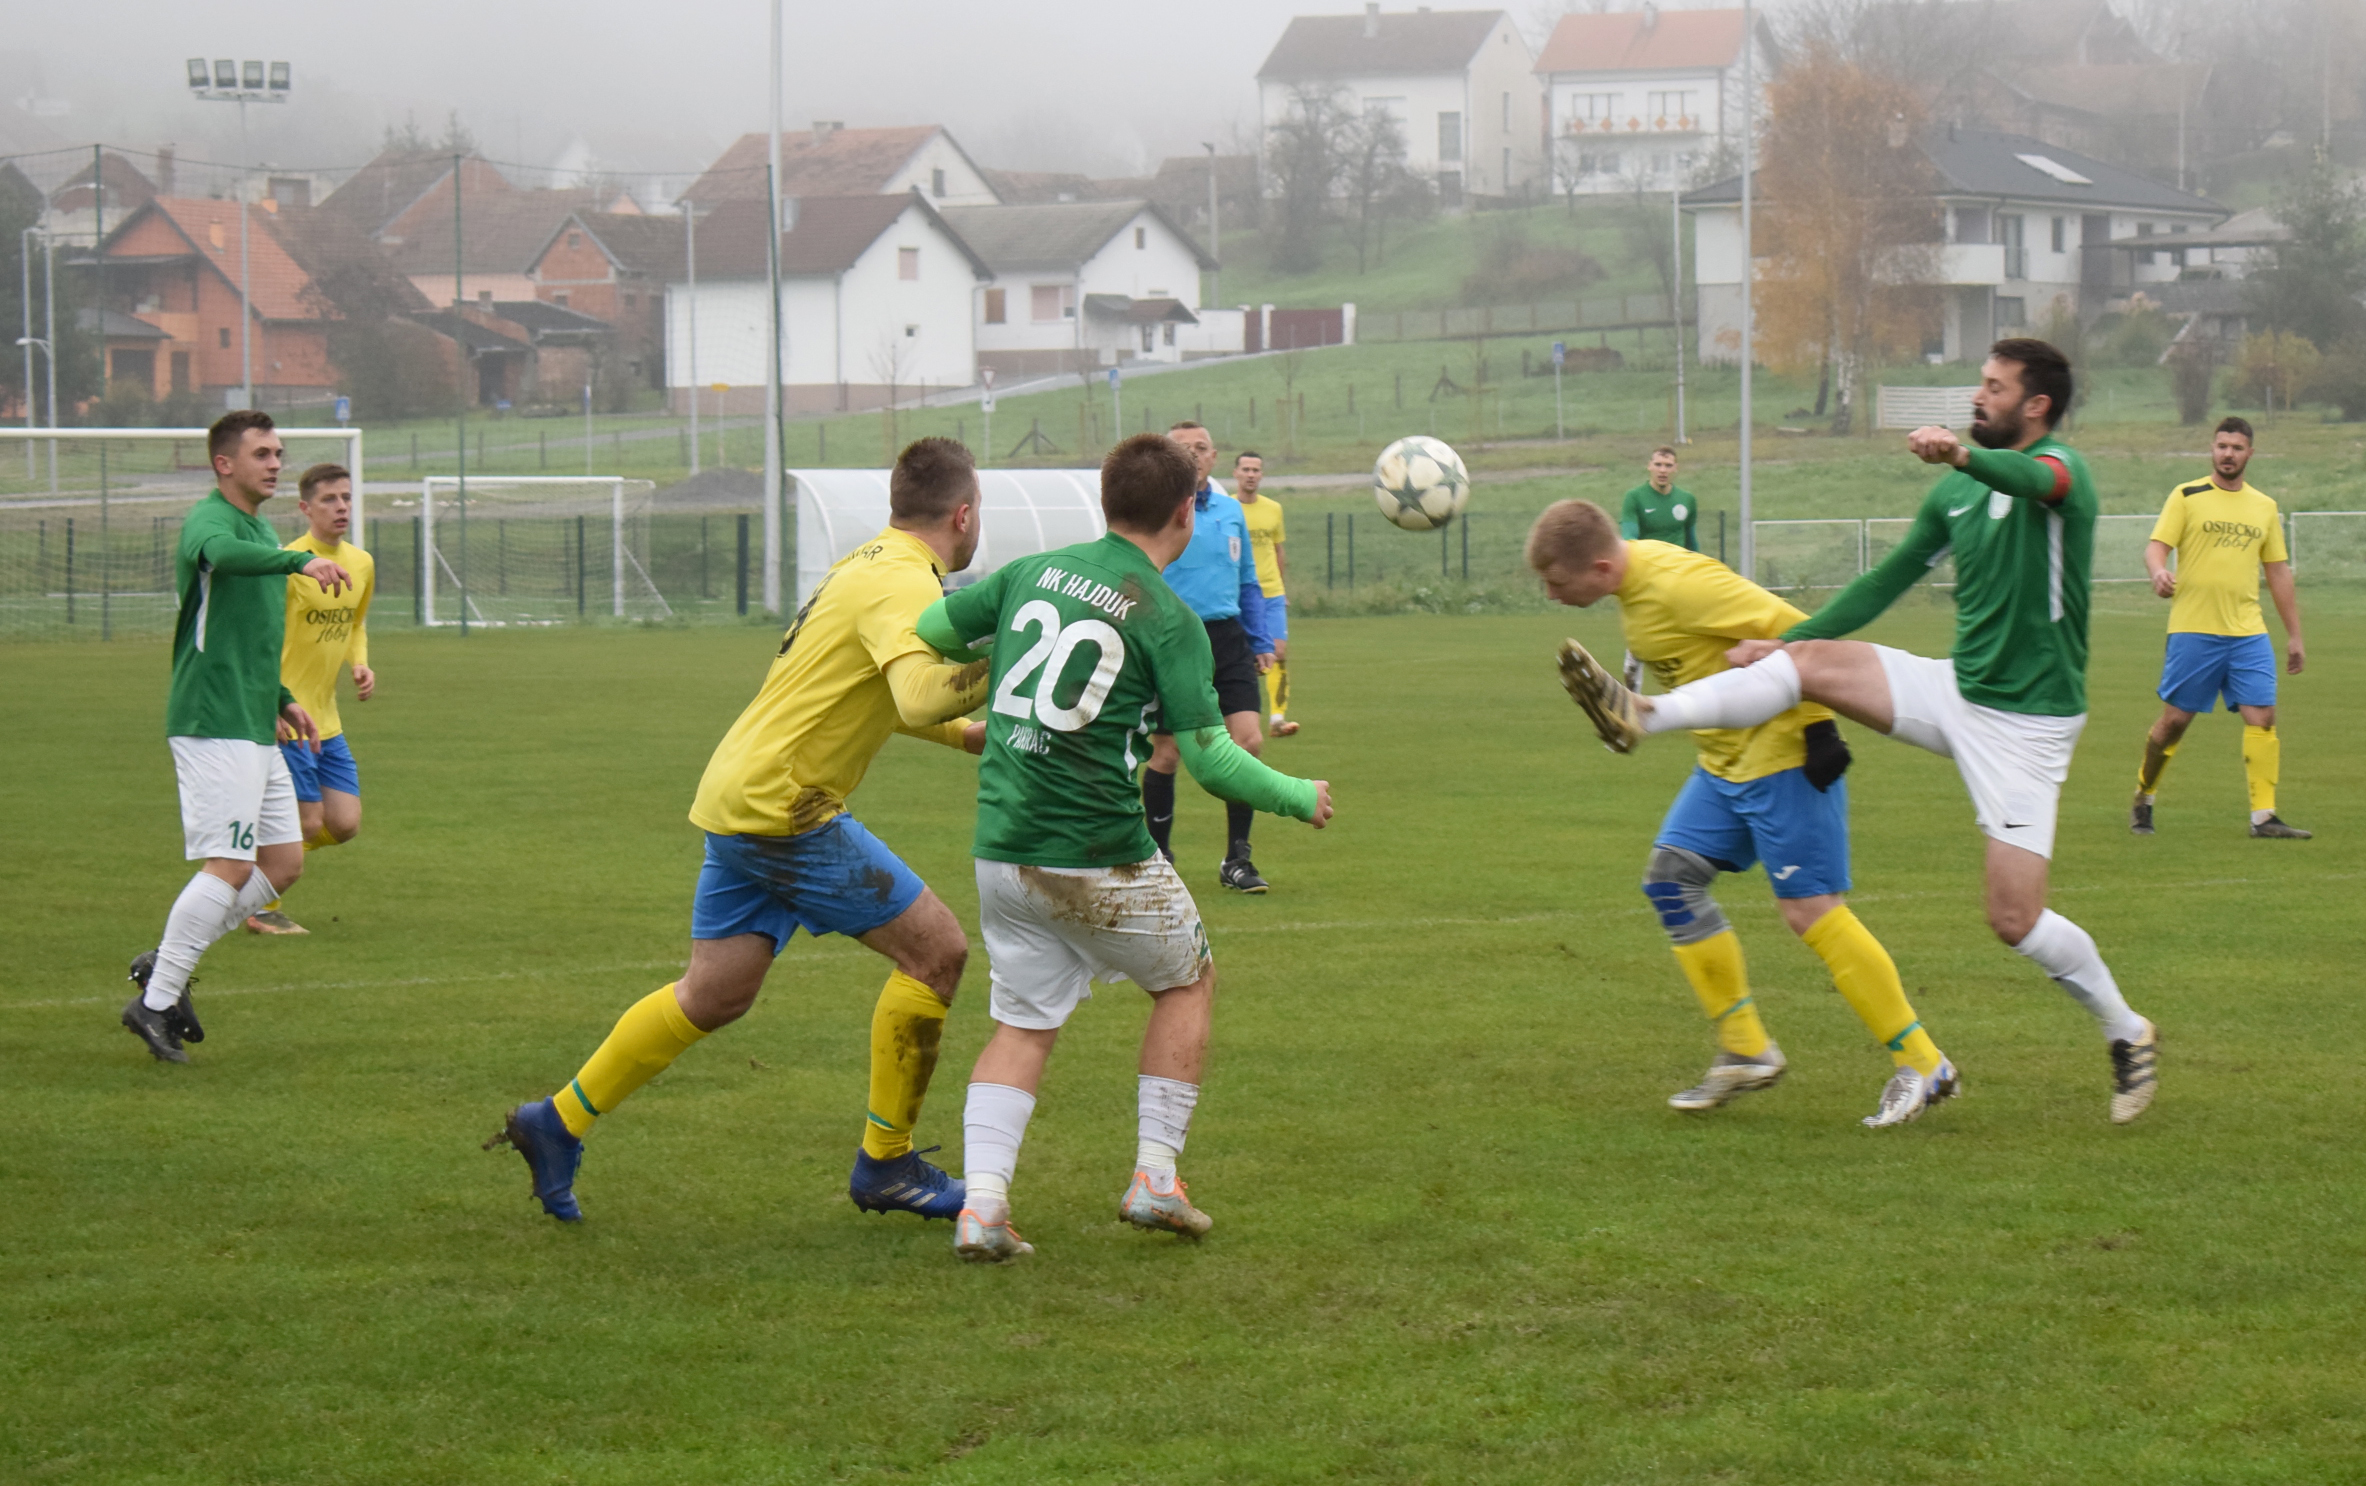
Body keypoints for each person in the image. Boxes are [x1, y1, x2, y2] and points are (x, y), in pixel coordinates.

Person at [1556, 339, 2159, 1124]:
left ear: (2035, 405)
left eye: (1994, 387)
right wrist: (1785, 643)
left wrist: (1963, 458)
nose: (1978, 397)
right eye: (1980, 383)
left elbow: (2031, 476)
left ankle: (2127, 1030)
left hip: (2027, 729)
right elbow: (1888, 579)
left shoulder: (2061, 475)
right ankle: (1644, 714)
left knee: (2014, 920)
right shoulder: (1954, 499)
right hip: (1953, 689)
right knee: (1806, 661)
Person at [487, 437, 993, 1222]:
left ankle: (555, 1121)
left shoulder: (864, 564)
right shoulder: (903, 581)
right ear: (964, 514)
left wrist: (966, 737)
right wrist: (1012, 657)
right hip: (785, 809)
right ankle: (886, 1164)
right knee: (938, 955)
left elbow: (872, 690)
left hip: (739, 794)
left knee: (713, 994)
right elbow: (924, 694)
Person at [917, 433, 1334, 1262]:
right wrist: (1296, 795)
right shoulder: (1166, 616)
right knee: (1188, 981)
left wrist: (1003, 657)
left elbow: (933, 625)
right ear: (1187, 511)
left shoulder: (1032, 570)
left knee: (1022, 1021)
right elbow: (1210, 755)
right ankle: (1155, 1179)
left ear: (1104, 502)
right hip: (1096, 853)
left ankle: (984, 1208)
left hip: (1003, 848)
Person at [1529, 500, 1958, 1126]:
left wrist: (1818, 728)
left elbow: (1803, 631)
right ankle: (1747, 1048)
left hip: (1782, 756)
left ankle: (1924, 1061)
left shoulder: (1680, 585)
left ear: (1598, 566)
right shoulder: (1633, 585)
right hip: (1724, 764)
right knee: (1670, 879)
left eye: (1558, 583)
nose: (1549, 593)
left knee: (1810, 912)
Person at [122, 410, 352, 1063]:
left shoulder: (256, 527)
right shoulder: (212, 522)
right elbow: (220, 557)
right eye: (261, 453)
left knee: (283, 863)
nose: (275, 463)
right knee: (229, 865)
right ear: (225, 464)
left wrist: (282, 699)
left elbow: (249, 635)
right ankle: (157, 1002)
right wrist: (296, 562)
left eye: (279, 452)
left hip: (254, 720)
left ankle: (166, 961)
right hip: (212, 719)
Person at [2131, 416, 2309, 839]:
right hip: (2194, 629)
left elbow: (2278, 572)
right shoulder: (2188, 495)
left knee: (2262, 716)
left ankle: (2263, 817)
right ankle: (2144, 794)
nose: (2228, 453)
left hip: (2248, 631)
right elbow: (2156, 548)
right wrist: (2158, 573)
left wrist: (2295, 635)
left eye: (2237, 447)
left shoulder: (2263, 506)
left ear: (2250, 453)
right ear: (2213, 449)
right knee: (2174, 722)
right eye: (2222, 446)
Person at [1139, 421, 1278, 893]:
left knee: (1249, 743)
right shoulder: (1151, 513)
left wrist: (1261, 639)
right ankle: (1160, 857)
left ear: (1214, 457)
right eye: (1183, 449)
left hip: (1227, 639)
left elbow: (1247, 583)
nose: (1194, 455)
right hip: (1171, 638)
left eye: (1201, 448)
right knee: (1168, 750)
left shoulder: (1230, 513)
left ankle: (1237, 859)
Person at [246, 463, 379, 936]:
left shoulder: (360, 562)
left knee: (343, 823)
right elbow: (259, 640)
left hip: (329, 719)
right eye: (329, 499)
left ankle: (252, 866)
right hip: (290, 715)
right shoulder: (287, 563)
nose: (341, 507)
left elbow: (355, 623)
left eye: (345, 497)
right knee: (305, 822)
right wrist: (270, 704)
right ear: (305, 508)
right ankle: (261, 906)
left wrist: (358, 663)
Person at [1620, 447, 1699, 691]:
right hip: (1647, 572)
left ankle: (1686, 683)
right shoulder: (1635, 498)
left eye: (1668, 465)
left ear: (1675, 468)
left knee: (1681, 626)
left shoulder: (1687, 500)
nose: (1663, 470)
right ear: (1649, 466)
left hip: (1678, 573)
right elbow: (1629, 536)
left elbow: (1691, 539)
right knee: (1647, 624)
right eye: (1658, 465)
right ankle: (1634, 671)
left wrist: (1699, 566)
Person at [1234, 450, 1298, 737]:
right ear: (1236, 473)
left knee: (1279, 652)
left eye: (1256, 470)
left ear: (1261, 475)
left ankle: (1277, 719)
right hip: (1239, 593)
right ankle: (1235, 714)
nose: (1251, 474)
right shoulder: (1228, 508)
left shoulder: (1273, 509)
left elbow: (1278, 549)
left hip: (1271, 592)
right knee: (1242, 658)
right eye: (1246, 469)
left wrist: (1282, 589)